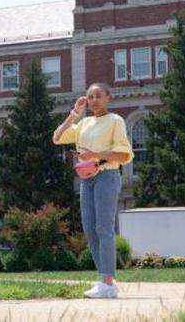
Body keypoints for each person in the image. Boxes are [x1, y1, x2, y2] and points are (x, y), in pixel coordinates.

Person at [52, 83, 133, 299]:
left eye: (98, 96)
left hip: (107, 175)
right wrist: (74, 113)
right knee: (89, 228)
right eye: (90, 97)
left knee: (103, 228)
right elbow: (57, 137)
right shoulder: (84, 123)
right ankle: (104, 281)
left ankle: (108, 281)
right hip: (86, 179)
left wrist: (95, 154)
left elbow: (124, 155)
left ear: (108, 98)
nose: (94, 100)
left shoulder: (115, 121)